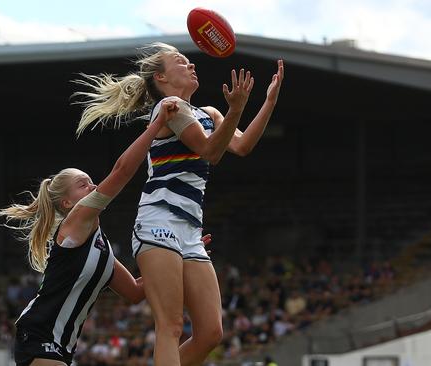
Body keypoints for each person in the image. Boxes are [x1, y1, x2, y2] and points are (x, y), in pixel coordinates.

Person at [73, 43, 284, 366]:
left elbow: (240, 146)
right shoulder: (169, 107)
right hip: (159, 222)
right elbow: (210, 151)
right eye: (180, 62)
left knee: (211, 333)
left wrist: (268, 101)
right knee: (170, 326)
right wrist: (237, 109)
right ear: (161, 77)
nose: (191, 65)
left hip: (190, 232)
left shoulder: (211, 114)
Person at [0, 100, 186, 366]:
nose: (93, 186)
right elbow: (121, 171)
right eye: (82, 185)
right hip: (40, 335)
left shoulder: (101, 248)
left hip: (61, 345)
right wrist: (157, 125)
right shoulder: (74, 222)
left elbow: (135, 291)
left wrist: (182, 252)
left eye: (91, 181)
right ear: (67, 204)